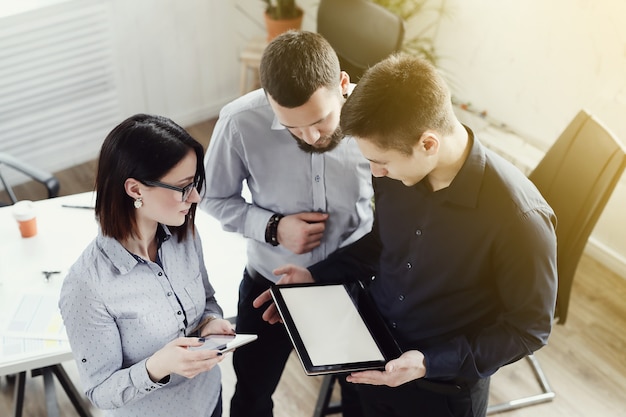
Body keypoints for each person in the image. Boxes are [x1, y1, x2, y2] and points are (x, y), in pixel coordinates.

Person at [254, 54, 559, 417]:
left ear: (428, 144)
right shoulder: (397, 170)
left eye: (381, 162)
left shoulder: (520, 218)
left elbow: (529, 328)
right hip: (370, 353)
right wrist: (316, 274)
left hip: (440, 388)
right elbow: (383, 243)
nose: (375, 172)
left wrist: (427, 363)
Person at [200, 31, 373, 417]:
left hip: (350, 284)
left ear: (344, 85)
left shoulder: (374, 115)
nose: (310, 137)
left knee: (362, 395)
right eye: (292, 127)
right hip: (269, 287)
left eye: (320, 120)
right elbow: (212, 197)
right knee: (252, 394)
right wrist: (273, 227)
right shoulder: (240, 121)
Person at [59, 114, 234, 417]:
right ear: (135, 190)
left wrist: (210, 323)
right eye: (183, 186)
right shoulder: (86, 286)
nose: (194, 197)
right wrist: (157, 366)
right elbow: (100, 390)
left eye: (194, 183)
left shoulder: (185, 233)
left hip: (209, 402)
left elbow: (207, 301)